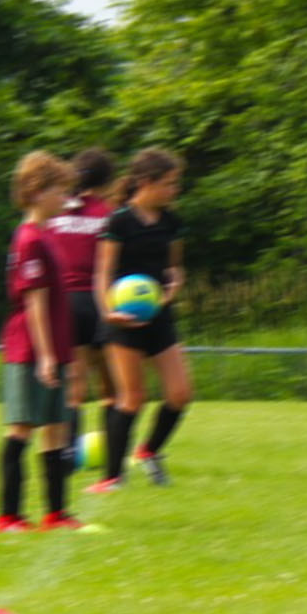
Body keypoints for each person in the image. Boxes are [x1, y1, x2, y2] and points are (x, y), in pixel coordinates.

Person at [89, 147, 192, 493]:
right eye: (169, 183)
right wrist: (108, 312)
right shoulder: (118, 221)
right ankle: (111, 478)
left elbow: (174, 266)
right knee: (132, 398)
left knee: (180, 394)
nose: (175, 189)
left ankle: (148, 451)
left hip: (159, 316)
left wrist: (175, 281)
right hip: (122, 321)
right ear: (146, 183)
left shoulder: (172, 222)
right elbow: (101, 274)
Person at [0, 152, 81, 531]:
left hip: (53, 349)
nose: (65, 198)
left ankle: (56, 513)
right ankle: (8, 515)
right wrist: (46, 356)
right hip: (30, 350)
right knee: (22, 428)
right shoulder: (29, 239)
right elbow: (35, 304)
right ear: (36, 191)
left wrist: (65, 354)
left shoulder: (46, 236)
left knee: (57, 427)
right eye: (59, 190)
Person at [45, 147, 115, 459]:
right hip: (100, 302)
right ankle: (113, 463)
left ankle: (68, 455)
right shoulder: (108, 215)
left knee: (74, 387)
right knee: (110, 388)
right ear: (107, 180)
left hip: (65, 305)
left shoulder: (57, 214)